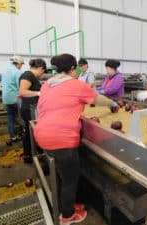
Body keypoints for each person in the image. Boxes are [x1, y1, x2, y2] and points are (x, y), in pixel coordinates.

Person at [33, 54, 118, 224]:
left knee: (63, 173)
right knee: (70, 180)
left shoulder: (47, 85)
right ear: (72, 69)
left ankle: (68, 205)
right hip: (62, 139)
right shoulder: (75, 84)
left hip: (42, 134)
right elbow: (97, 99)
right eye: (76, 68)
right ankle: (67, 216)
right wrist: (112, 104)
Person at [19, 58, 46, 163]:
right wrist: (38, 93)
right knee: (30, 132)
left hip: (32, 108)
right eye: (43, 72)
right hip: (29, 109)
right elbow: (22, 91)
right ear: (40, 68)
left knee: (30, 131)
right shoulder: (28, 75)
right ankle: (29, 155)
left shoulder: (31, 76)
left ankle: (31, 154)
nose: (42, 74)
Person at [1, 55, 24, 143]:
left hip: (6, 99)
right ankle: (23, 134)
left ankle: (13, 136)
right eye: (21, 64)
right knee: (21, 117)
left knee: (10, 118)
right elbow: (20, 87)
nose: (21, 66)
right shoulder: (18, 72)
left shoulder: (5, 71)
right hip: (15, 98)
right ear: (18, 63)